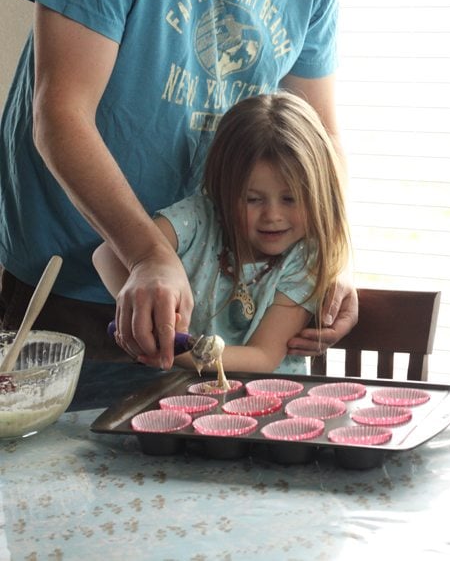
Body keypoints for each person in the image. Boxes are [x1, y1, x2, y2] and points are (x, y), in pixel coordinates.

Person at [0, 0, 385, 368]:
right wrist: (148, 255)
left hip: (201, 303)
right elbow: (59, 114)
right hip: (66, 288)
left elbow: (318, 133)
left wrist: (333, 257)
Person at [93, 92, 350, 375]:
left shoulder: (305, 258)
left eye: (290, 199)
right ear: (223, 190)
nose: (273, 216)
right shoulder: (198, 219)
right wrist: (144, 318)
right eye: (253, 199)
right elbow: (106, 256)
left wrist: (173, 350)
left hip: (266, 401)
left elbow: (262, 356)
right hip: (178, 402)